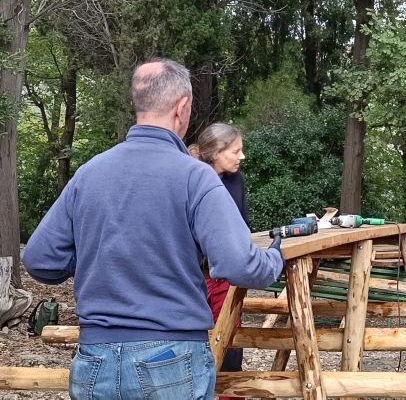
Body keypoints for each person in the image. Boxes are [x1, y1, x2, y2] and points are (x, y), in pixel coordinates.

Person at [23, 59, 284, 400]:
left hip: (95, 359)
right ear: (182, 108)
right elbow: (240, 264)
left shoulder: (89, 173)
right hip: (169, 360)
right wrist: (276, 257)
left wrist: (98, 257)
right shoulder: (195, 176)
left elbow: (40, 259)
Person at [192, 122, 249, 400]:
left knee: (229, 347)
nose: (242, 156)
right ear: (214, 152)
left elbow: (242, 227)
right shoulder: (190, 178)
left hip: (225, 278)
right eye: (236, 150)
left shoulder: (236, 181)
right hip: (192, 278)